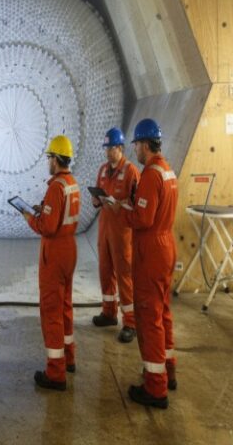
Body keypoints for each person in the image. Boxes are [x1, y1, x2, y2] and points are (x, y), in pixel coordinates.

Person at [119, 118, 178, 409]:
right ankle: (168, 369)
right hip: (166, 246)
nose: (135, 152)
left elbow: (143, 219)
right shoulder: (168, 172)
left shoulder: (152, 174)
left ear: (144, 144)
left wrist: (123, 213)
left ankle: (155, 388)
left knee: (149, 318)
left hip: (151, 251)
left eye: (136, 146)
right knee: (163, 312)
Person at [21, 135, 80, 391]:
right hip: (70, 250)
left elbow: (47, 226)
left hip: (54, 253)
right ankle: (68, 357)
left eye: (49, 158)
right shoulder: (71, 183)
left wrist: (28, 216)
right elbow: (58, 215)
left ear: (56, 160)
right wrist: (43, 208)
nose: (48, 162)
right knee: (65, 305)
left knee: (51, 310)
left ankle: (55, 373)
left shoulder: (56, 187)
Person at [91, 127, 139, 343]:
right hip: (105, 228)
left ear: (120, 148)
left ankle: (130, 322)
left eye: (111, 148)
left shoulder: (131, 171)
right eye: (107, 148)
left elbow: (137, 203)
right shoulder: (102, 170)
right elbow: (99, 197)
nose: (108, 152)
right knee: (105, 271)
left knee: (124, 276)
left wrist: (122, 204)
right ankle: (109, 312)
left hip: (122, 232)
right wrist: (96, 200)